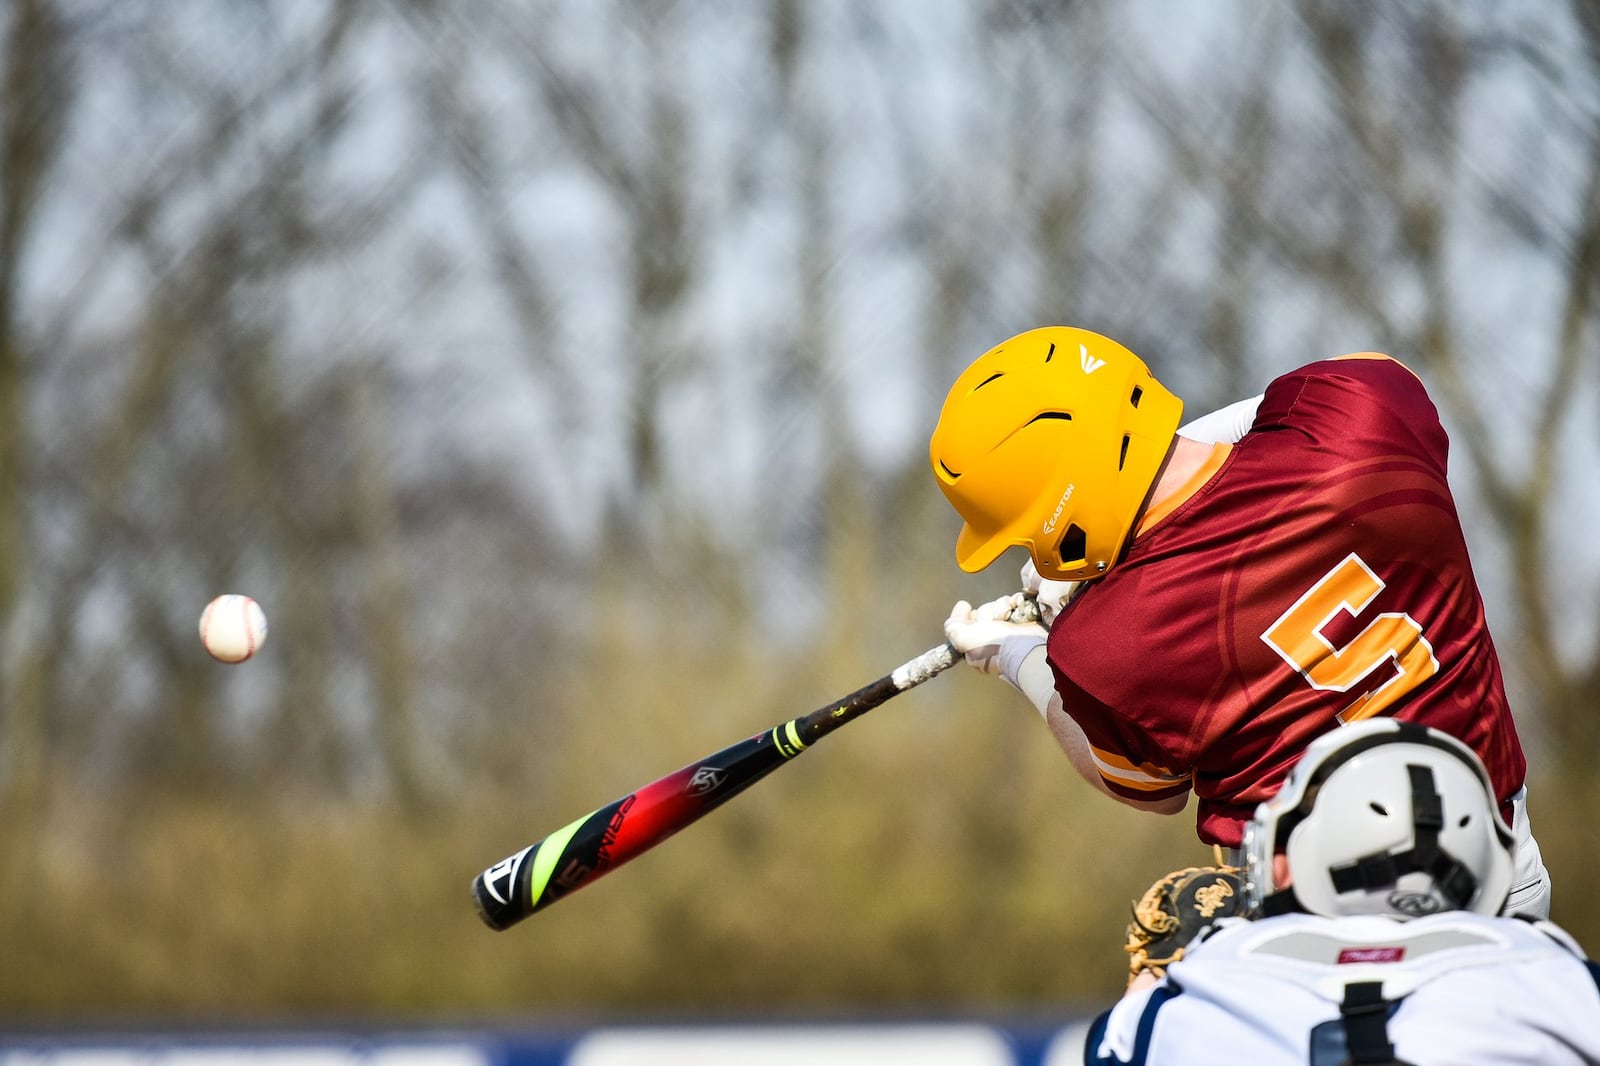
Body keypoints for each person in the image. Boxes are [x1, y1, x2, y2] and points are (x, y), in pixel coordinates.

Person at [930, 325, 1550, 916]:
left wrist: (1020, 657)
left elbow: (1146, 787)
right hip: (1498, 875)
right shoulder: (1359, 422)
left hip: (1306, 928)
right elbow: (1354, 385)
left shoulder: (1105, 646)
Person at [1085, 719, 1600, 1065]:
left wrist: (1152, 980)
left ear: (1289, 860)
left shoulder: (1204, 979)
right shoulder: (1561, 979)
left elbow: (1112, 1047)